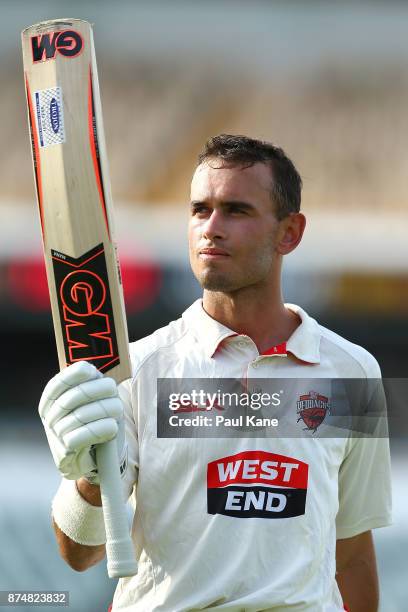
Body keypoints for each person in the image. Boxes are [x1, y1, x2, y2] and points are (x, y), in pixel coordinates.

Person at [40, 134, 392, 612]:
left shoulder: (351, 370)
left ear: (289, 233)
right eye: (199, 209)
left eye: (236, 210)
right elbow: (78, 554)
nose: (211, 228)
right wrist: (88, 478)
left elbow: (350, 549)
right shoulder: (137, 369)